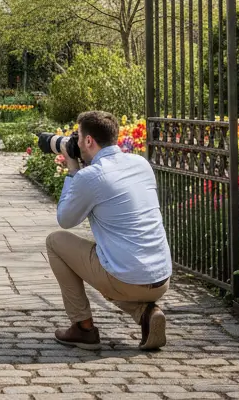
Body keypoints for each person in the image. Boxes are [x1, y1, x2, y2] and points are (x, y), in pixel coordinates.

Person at [45, 110, 172, 351]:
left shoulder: (90, 176)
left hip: (126, 277)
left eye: (78, 137)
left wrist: (73, 171)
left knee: (56, 241)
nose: (77, 142)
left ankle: (83, 329)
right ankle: (146, 313)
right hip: (161, 278)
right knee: (109, 258)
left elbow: (65, 219)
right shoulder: (140, 163)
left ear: (89, 141)